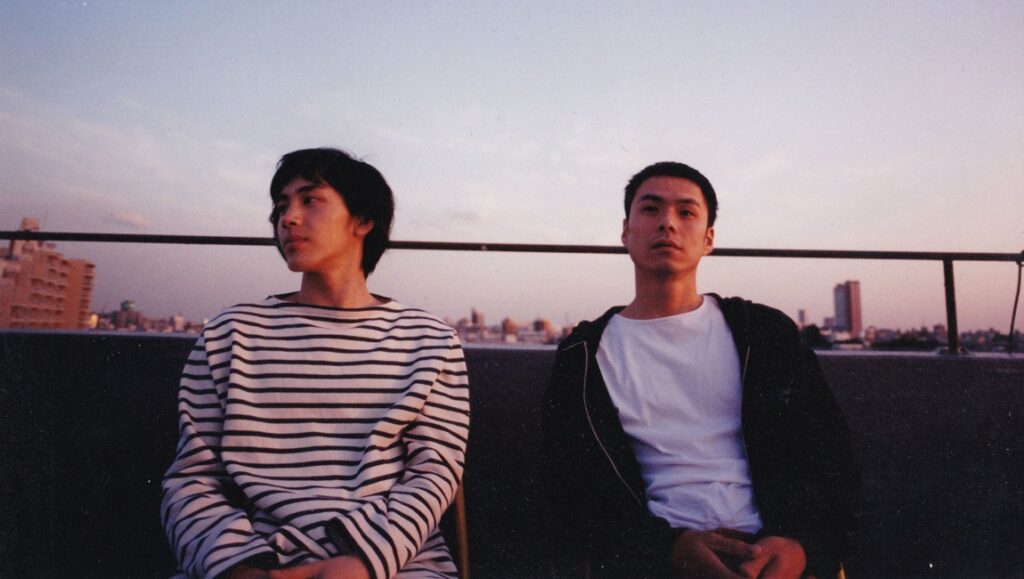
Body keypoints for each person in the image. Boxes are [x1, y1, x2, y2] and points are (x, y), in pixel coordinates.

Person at [162, 148, 470, 579]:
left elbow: (434, 475)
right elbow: (192, 479)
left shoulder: (429, 340)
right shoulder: (230, 334)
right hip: (252, 559)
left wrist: (360, 564)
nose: (287, 218)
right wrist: (238, 568)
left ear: (363, 221)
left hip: (393, 565)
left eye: (310, 200)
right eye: (281, 206)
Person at [541, 162, 858, 578]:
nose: (667, 223)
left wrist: (802, 547)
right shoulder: (582, 356)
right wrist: (669, 549)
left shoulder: (762, 333)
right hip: (655, 561)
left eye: (686, 212)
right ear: (625, 232)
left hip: (771, 555)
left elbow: (833, 456)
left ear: (708, 239)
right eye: (651, 210)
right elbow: (571, 494)